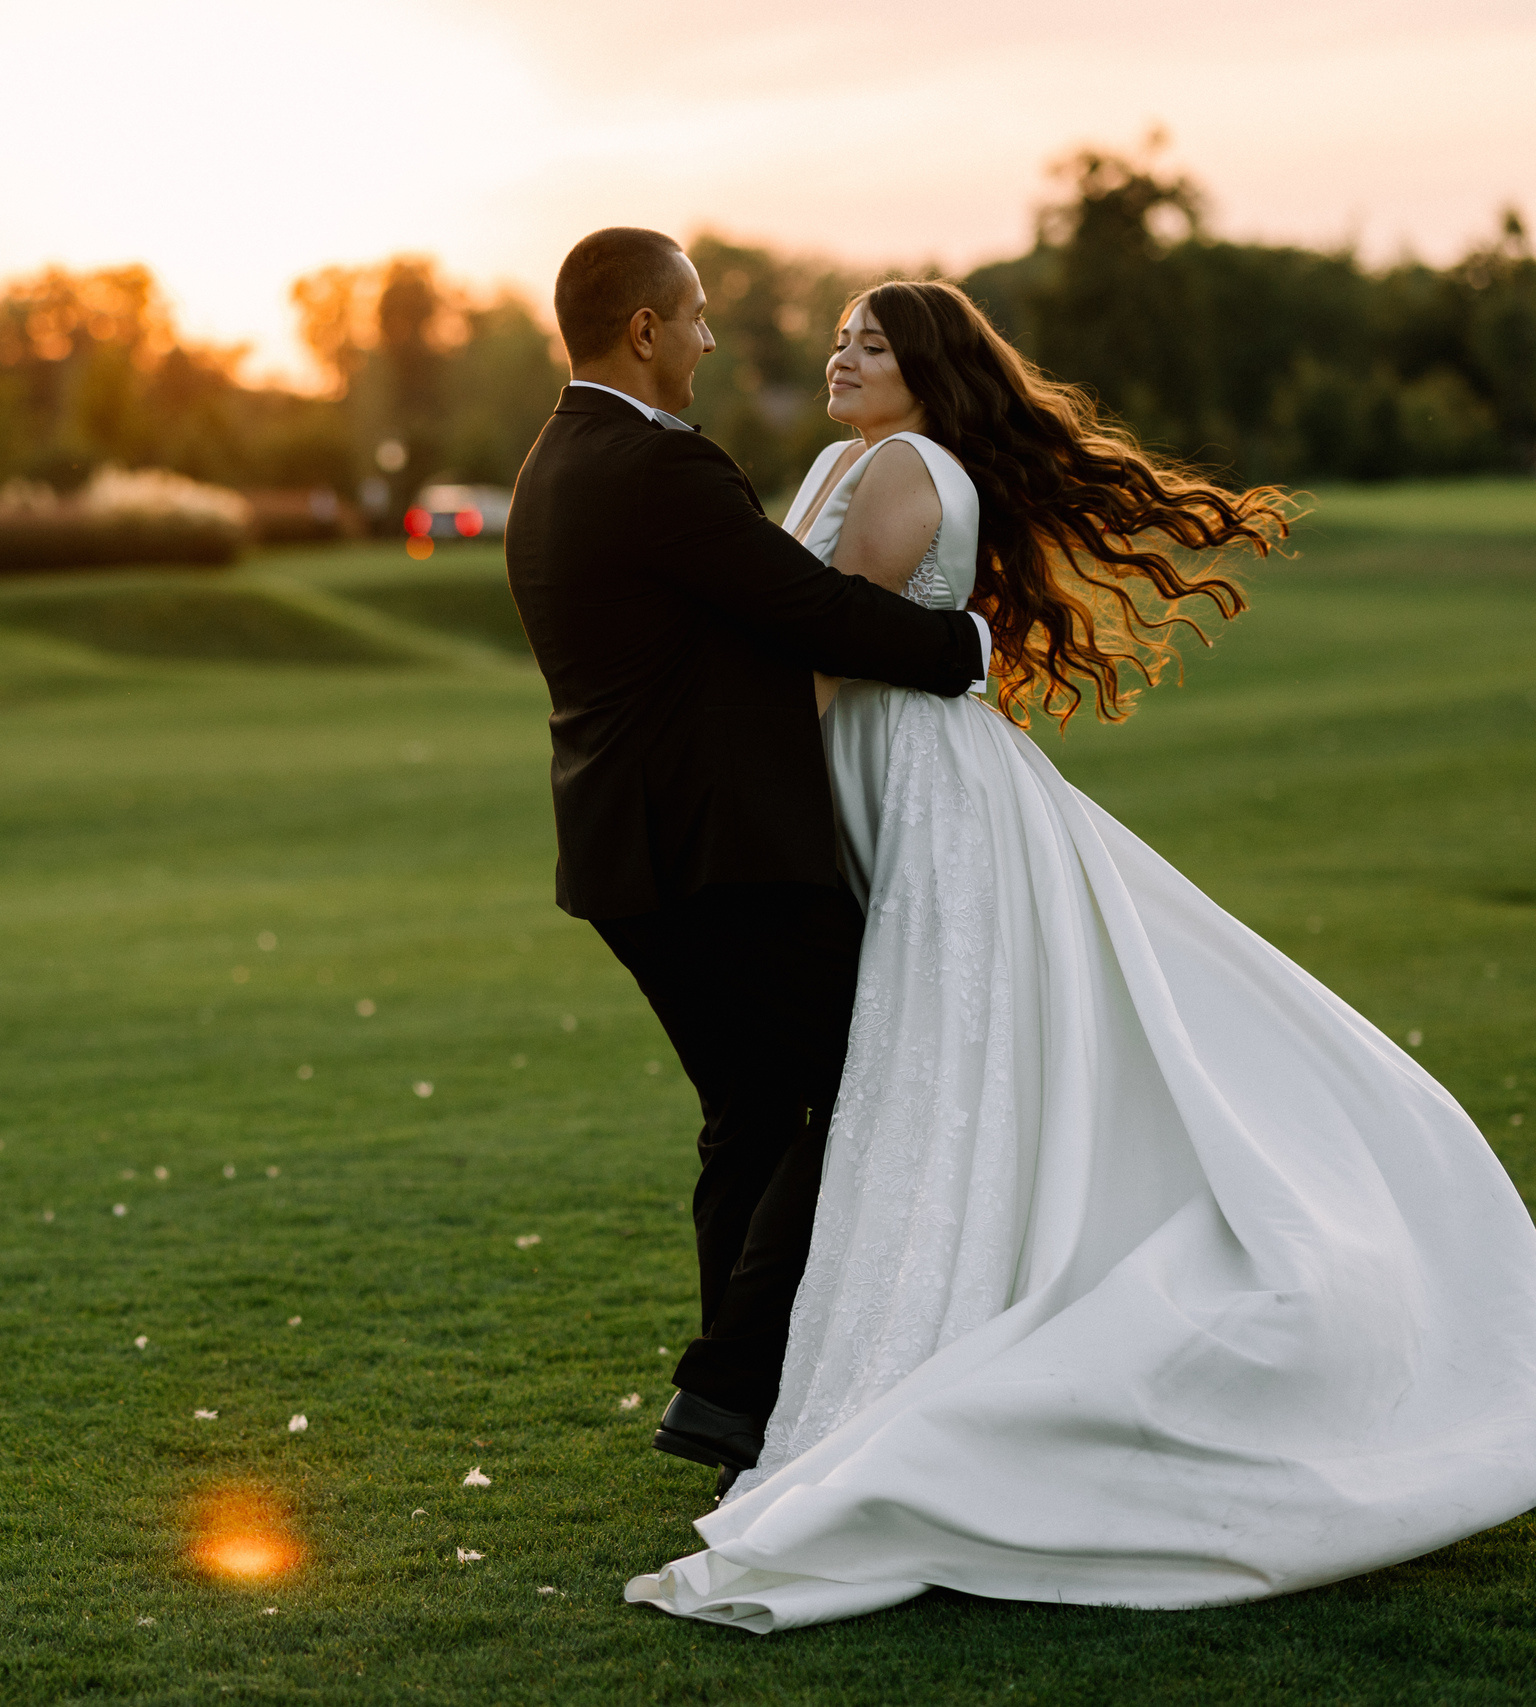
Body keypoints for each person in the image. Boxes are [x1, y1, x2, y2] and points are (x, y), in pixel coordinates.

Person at [626, 280, 1536, 1631]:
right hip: (860, 764)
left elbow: (820, 652)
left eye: (872, 344)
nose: (842, 355)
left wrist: (726, 782)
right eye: (839, 338)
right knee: (867, 1065)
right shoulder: (839, 459)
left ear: (929, 372)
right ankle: (746, 1371)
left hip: (912, 781)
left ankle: (829, 1367)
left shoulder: (905, 472)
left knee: (922, 1058)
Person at [503, 231, 991, 1485]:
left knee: (755, 1118)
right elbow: (800, 604)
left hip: (620, 856)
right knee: (869, 1075)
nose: (714, 341)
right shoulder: (658, 467)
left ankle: (742, 1420)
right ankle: (728, 1383)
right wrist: (963, 651)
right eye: (700, 318)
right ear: (646, 331)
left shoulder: (553, 461)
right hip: (721, 852)